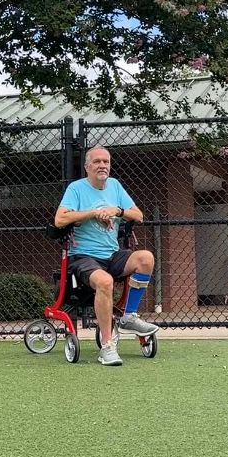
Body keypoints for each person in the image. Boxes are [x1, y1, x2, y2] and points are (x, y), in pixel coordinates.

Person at [54, 145, 160, 366]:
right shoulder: (76, 189)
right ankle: (107, 346)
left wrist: (117, 211)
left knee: (146, 258)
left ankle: (128, 316)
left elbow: (138, 215)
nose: (102, 165)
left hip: (111, 254)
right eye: (97, 162)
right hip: (82, 256)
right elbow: (60, 220)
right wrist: (93, 213)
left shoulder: (115, 186)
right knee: (105, 280)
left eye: (106, 162)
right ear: (87, 167)